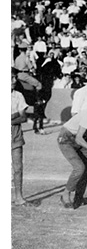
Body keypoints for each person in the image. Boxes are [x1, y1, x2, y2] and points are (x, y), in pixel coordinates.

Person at [11, 68, 39, 207]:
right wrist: (14, 115)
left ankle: (19, 197)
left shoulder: (18, 95)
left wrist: (11, 118)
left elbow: (23, 117)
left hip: (15, 134)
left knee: (18, 168)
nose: (14, 81)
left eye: (15, 77)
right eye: (11, 78)